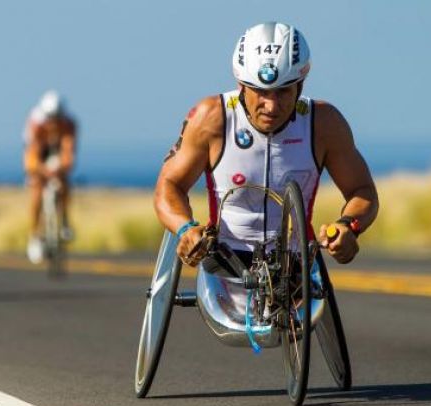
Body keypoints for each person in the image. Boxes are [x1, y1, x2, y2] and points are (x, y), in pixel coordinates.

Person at [154, 22, 378, 268]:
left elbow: (362, 190)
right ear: (241, 85)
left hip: (295, 264)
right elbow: (170, 185)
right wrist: (185, 228)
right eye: (261, 91)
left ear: (299, 86)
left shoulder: (324, 123)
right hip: (224, 262)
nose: (271, 106)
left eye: (282, 91)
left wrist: (349, 226)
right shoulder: (212, 117)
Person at [22, 90, 77, 264]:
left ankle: (65, 220)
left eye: (56, 118)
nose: (53, 123)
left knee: (64, 181)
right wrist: (41, 171)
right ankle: (35, 234)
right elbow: (32, 156)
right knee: (37, 188)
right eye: (50, 119)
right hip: (40, 152)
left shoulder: (69, 123)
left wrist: (62, 167)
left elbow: (69, 152)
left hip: (57, 152)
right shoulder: (35, 123)